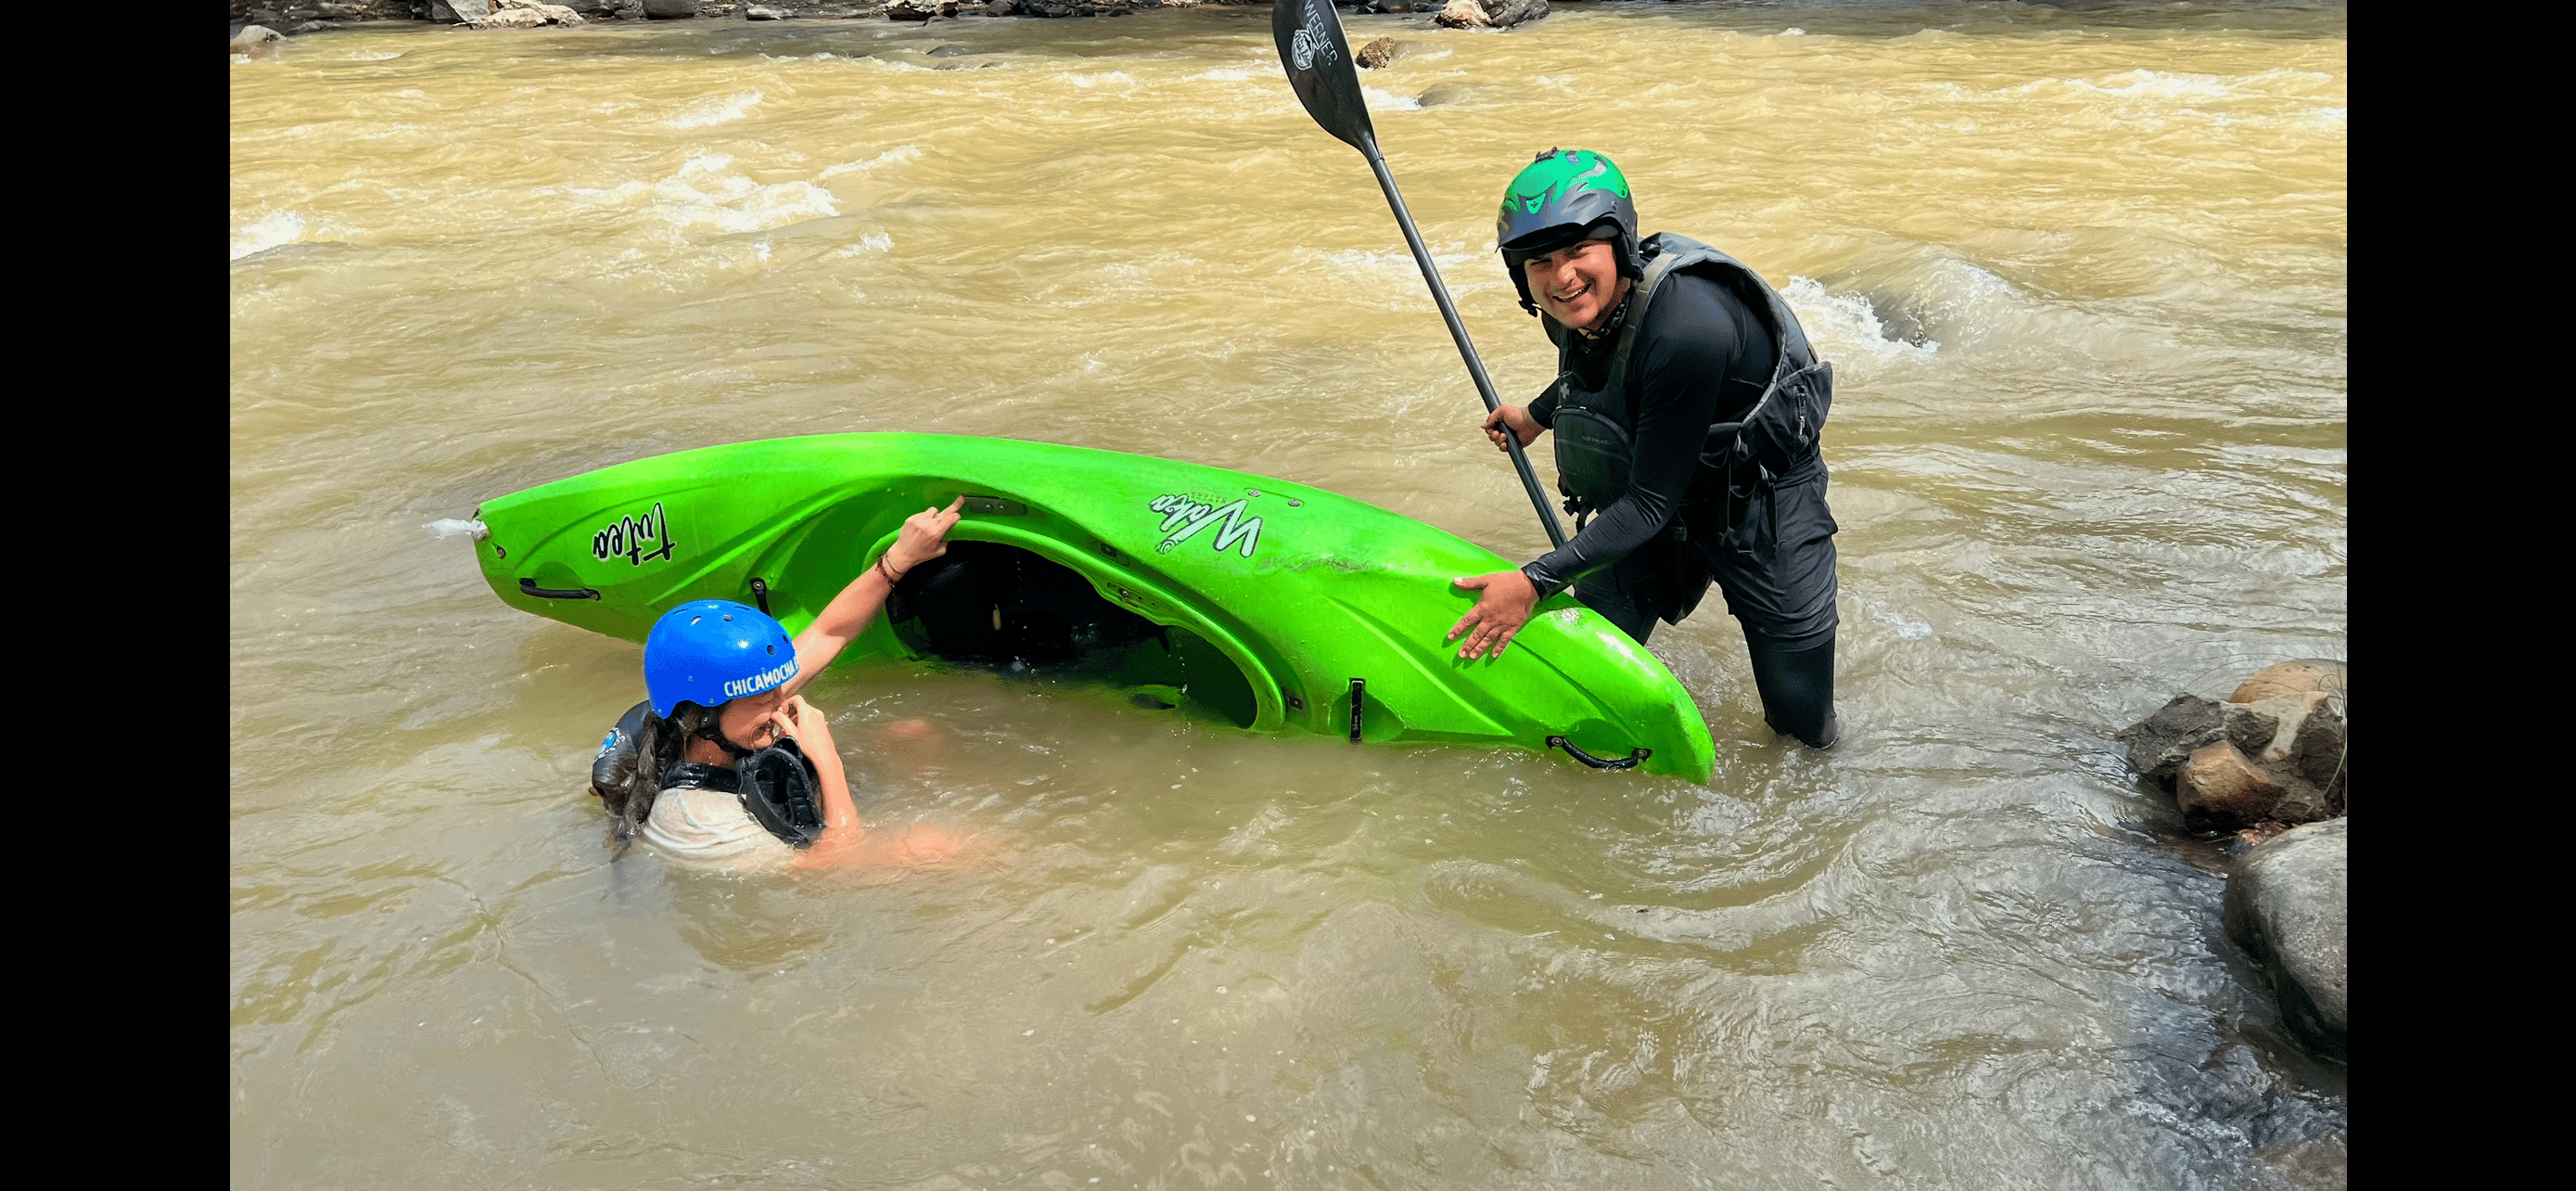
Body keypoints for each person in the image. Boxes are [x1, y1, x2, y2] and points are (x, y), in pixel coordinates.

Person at [1447, 148, 1843, 749]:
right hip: (1661, 481)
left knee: (1801, 732)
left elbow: (1648, 505)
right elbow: (1602, 368)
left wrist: (1532, 581)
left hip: (1760, 502)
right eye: (1541, 261)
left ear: (1620, 245)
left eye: (1579, 250)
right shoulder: (1577, 306)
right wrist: (1535, 415)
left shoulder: (1688, 328)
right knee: (1590, 661)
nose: (1561, 277)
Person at [592, 497, 968, 870]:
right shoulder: (696, 819)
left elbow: (827, 633)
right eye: (762, 699)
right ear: (703, 716)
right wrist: (826, 759)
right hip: (796, 859)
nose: (782, 702)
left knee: (912, 732)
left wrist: (898, 559)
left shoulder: (726, 707)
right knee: (934, 845)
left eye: (777, 690)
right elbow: (842, 865)